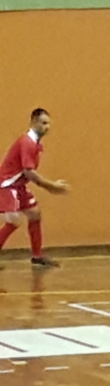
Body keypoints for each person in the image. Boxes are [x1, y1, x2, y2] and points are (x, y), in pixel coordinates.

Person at [0, 109, 69, 269]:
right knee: (14, 221)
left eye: (49, 123)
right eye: (43, 123)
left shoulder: (36, 144)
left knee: (35, 214)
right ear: (33, 122)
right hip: (7, 185)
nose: (47, 127)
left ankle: (37, 256)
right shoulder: (27, 143)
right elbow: (29, 172)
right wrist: (51, 186)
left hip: (18, 186)